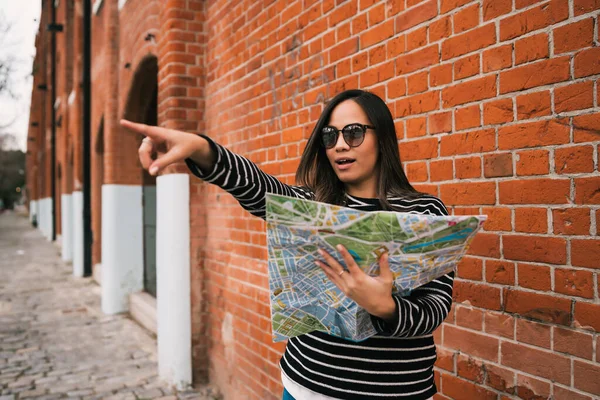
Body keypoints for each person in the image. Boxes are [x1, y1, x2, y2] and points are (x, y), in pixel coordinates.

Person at [121, 89, 451, 400]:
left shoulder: (424, 213)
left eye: (353, 133)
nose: (339, 145)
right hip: (306, 386)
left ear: (383, 137)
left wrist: (385, 307)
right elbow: (256, 188)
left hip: (397, 391)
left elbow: (436, 307)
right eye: (329, 136)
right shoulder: (311, 206)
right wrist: (201, 149)